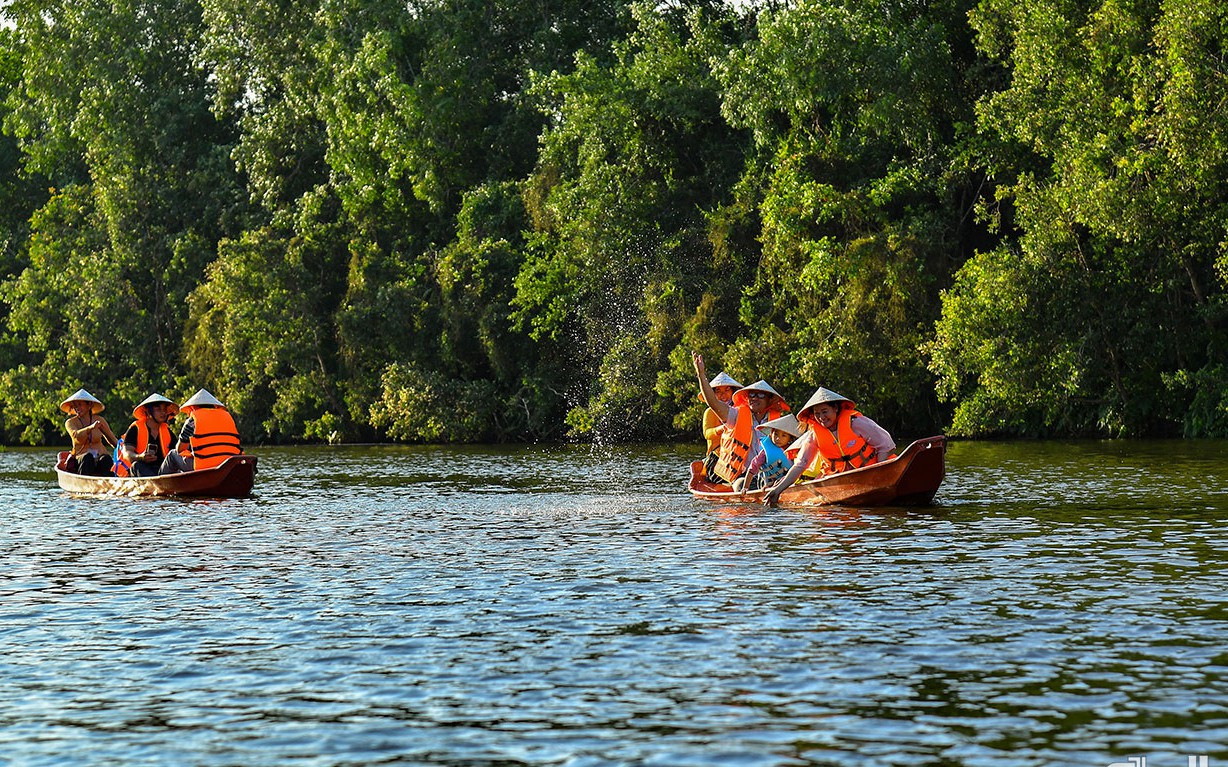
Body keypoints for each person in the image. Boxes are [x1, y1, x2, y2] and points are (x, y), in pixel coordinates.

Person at [763, 387, 895, 505]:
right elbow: (801, 464)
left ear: (835, 409)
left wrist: (879, 474)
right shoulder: (814, 435)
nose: (821, 417)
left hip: (872, 471)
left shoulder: (856, 423)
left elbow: (886, 445)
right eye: (817, 413)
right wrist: (778, 490)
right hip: (840, 481)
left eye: (825, 411)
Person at [692, 351, 790, 486]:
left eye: (760, 396)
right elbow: (713, 403)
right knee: (740, 485)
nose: (755, 398)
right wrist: (701, 375)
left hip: (775, 473)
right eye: (752, 395)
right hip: (745, 475)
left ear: (770, 400)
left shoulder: (780, 421)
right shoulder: (736, 415)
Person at [163, 388, 241, 473]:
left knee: (172, 455)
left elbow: (180, 450)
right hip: (231, 463)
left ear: (193, 407)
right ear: (215, 406)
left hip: (204, 465)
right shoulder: (227, 417)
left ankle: (159, 484)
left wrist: (185, 442)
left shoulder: (192, 421)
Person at [733, 413, 802, 494]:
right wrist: (745, 487)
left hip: (788, 484)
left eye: (784, 435)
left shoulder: (795, 450)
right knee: (739, 484)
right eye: (776, 434)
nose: (778, 438)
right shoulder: (765, 452)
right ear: (771, 434)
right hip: (767, 486)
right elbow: (753, 467)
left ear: (790, 438)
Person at [60, 388, 118, 475]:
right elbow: (76, 437)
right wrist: (90, 428)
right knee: (87, 457)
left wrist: (125, 449)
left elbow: (113, 441)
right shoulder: (70, 422)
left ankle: (109, 484)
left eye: (80, 405)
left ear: (89, 405)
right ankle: (84, 485)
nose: (77, 408)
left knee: (106, 459)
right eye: (75, 406)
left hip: (99, 457)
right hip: (82, 459)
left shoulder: (100, 420)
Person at [119, 393, 179, 477]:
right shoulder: (135, 429)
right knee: (137, 465)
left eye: (164, 409)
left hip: (161, 471)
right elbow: (127, 453)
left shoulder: (167, 431)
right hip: (141, 470)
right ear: (148, 411)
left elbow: (177, 452)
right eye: (158, 409)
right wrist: (140, 457)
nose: (163, 413)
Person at [701, 371, 742, 483]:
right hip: (717, 456)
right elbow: (707, 434)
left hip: (736, 456)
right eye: (718, 391)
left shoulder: (739, 411)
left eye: (727, 390)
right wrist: (720, 429)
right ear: (712, 394)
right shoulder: (710, 412)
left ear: (733, 391)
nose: (723, 395)